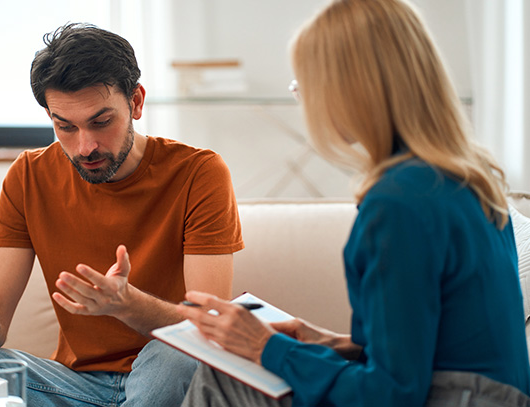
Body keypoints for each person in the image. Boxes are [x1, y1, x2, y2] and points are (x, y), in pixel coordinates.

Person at [176, 0, 530, 406]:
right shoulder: (469, 180)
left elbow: (391, 394)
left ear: (350, 90)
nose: (305, 101)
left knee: (222, 375)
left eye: (304, 85)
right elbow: (433, 347)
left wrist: (265, 347)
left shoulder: (398, 204)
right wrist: (329, 343)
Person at [0, 23, 244, 407]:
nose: (85, 146)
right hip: (73, 387)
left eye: (101, 122)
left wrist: (128, 304)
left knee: (180, 354)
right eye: (65, 126)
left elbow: (208, 326)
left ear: (136, 103)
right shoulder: (28, 177)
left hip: (165, 373)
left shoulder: (199, 172)